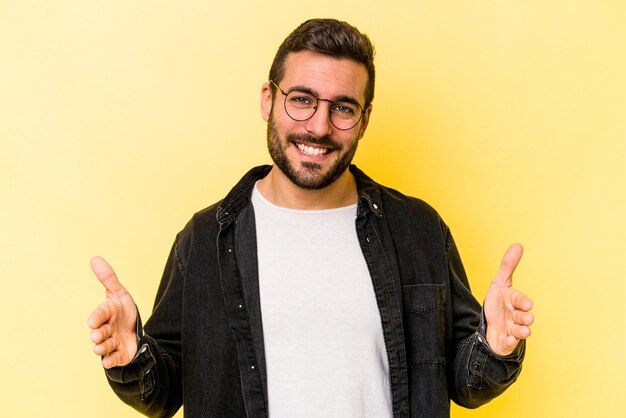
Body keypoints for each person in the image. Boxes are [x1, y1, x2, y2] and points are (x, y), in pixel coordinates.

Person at [88, 18, 534, 418]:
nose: (319, 127)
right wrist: (133, 357)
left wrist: (493, 347)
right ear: (268, 100)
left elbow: (463, 382)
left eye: (343, 107)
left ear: (364, 120)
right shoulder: (205, 240)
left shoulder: (418, 229)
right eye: (301, 100)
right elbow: (164, 393)